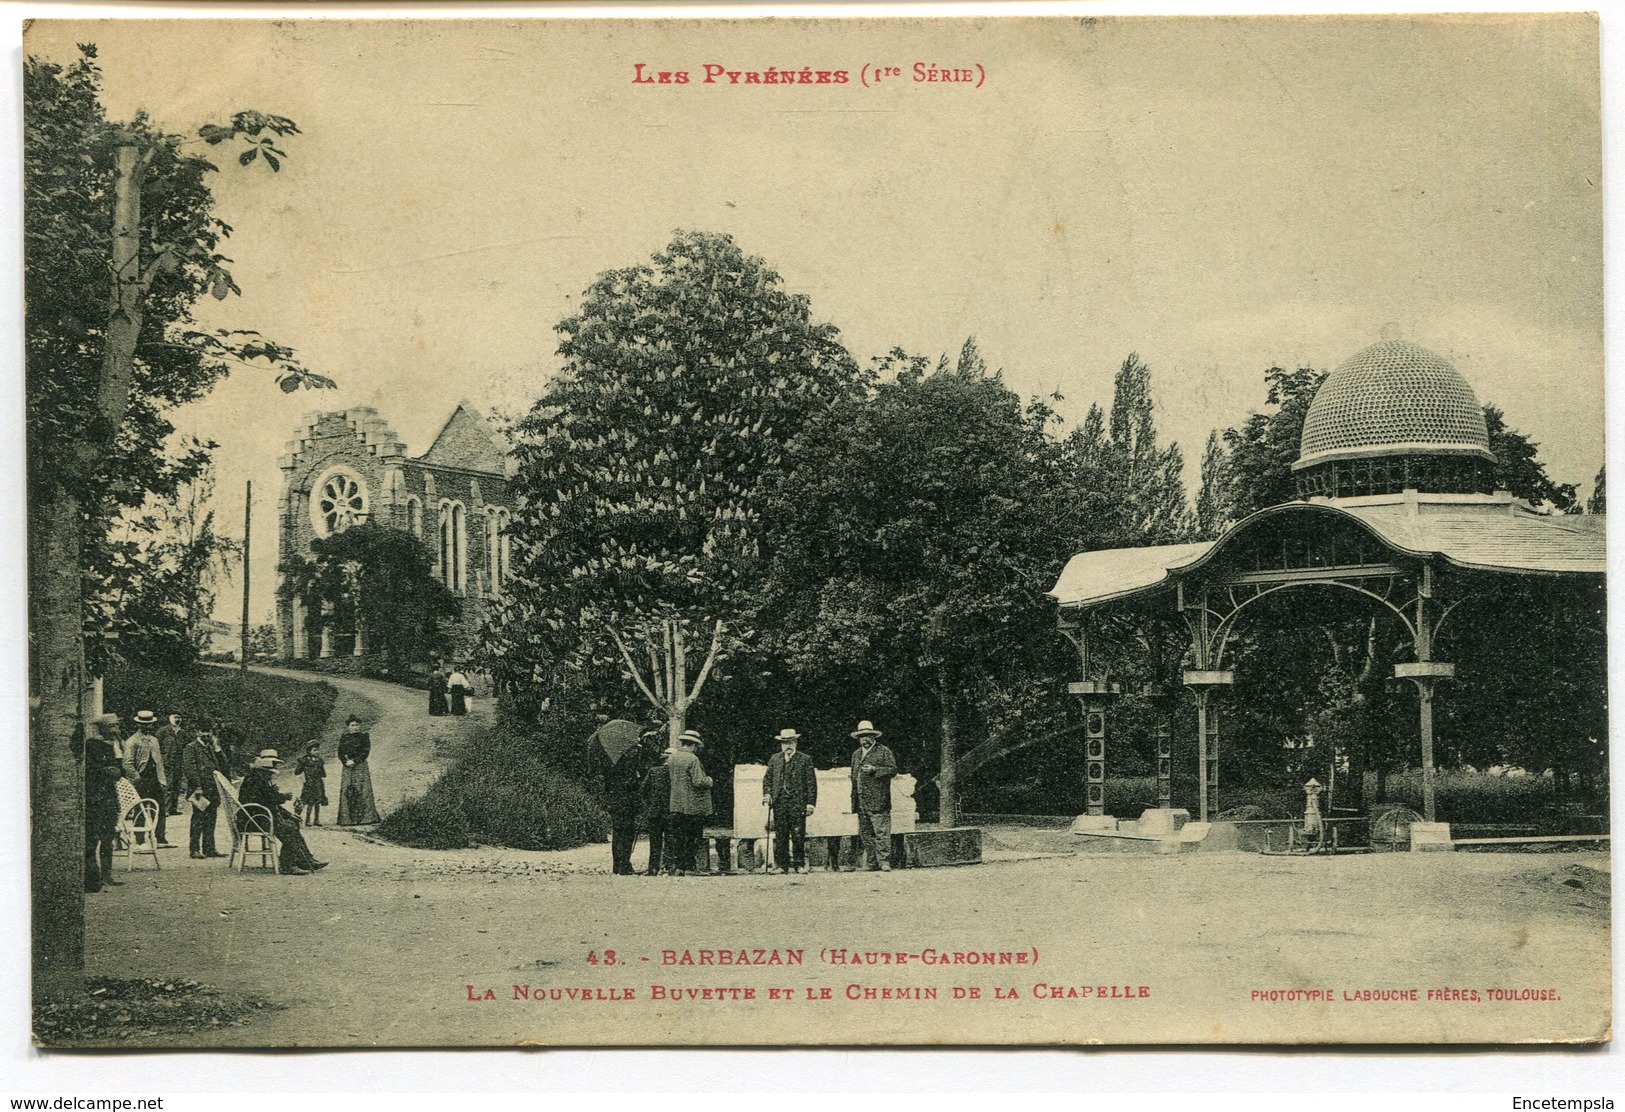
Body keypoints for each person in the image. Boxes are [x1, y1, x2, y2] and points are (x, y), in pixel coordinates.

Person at [237, 749, 327, 874]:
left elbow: (269, 802)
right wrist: (282, 797)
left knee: (292, 823)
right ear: (263, 770)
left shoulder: (258, 779)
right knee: (289, 828)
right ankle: (288, 865)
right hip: (254, 820)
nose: (272, 774)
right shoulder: (257, 781)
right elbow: (268, 802)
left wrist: (288, 814)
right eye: (270, 772)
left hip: (257, 817)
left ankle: (305, 859)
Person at [590, 717, 646, 876]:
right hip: (626, 803)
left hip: (614, 803)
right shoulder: (626, 764)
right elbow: (629, 784)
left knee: (618, 833)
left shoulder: (609, 763)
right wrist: (636, 780)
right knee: (627, 833)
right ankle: (624, 865)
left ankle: (618, 865)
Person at [80, 714, 126, 890]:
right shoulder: (91, 745)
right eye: (113, 726)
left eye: (117, 726)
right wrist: (106, 771)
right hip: (95, 797)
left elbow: (121, 770)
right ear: (104, 728)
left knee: (108, 837)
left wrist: (116, 769)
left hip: (109, 797)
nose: (117, 730)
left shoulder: (115, 746)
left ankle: (107, 875)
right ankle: (92, 878)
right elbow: (89, 769)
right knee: (92, 839)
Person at [762, 728, 817, 874]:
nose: (788, 745)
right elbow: (767, 779)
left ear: (796, 742)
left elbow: (811, 783)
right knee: (781, 834)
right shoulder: (775, 759)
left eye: (791, 742)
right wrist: (767, 794)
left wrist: (810, 804)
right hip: (779, 802)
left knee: (798, 834)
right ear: (781, 744)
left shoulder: (805, 759)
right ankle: (782, 865)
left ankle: (799, 864)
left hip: (797, 802)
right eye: (785, 742)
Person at [849, 720, 897, 871]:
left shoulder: (883, 751)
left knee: (881, 832)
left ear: (874, 736)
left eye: (868, 736)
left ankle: (884, 862)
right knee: (865, 834)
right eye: (862, 737)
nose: (865, 739)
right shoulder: (856, 754)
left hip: (878, 799)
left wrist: (875, 770)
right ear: (859, 738)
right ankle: (872, 862)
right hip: (860, 800)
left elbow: (892, 770)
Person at [124, 710, 174, 848]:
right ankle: (140, 840)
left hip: (155, 779)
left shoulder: (154, 740)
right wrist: (137, 778)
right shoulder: (132, 741)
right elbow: (127, 763)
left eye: (150, 724)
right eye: (144, 724)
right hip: (142, 779)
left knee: (160, 809)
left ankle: (161, 839)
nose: (148, 727)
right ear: (139, 725)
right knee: (140, 809)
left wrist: (162, 780)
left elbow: (159, 763)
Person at [666, 730, 713, 876]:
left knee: (679, 838)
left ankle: (679, 867)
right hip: (693, 805)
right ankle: (690, 867)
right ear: (693, 745)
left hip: (676, 803)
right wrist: (709, 780)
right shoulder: (693, 759)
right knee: (693, 838)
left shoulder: (672, 758)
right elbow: (698, 781)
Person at [180, 720, 226, 859]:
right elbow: (190, 769)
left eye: (209, 731)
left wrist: (218, 749)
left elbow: (224, 765)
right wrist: (198, 786)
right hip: (199, 789)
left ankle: (209, 848)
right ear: (197, 732)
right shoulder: (191, 748)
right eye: (202, 731)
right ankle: (194, 849)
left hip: (213, 789)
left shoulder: (211, 748)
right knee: (198, 819)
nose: (206, 734)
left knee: (211, 819)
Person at [336, 716, 381, 825]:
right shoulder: (344, 737)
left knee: (362, 789)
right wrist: (345, 761)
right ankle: (347, 819)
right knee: (348, 789)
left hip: (360, 766)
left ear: (360, 726)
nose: (355, 727)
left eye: (357, 725)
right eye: (352, 725)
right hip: (347, 767)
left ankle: (366, 818)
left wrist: (355, 761)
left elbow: (365, 752)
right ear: (348, 727)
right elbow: (340, 752)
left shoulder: (364, 737)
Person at [640, 744, 672, 877]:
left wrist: (649, 804)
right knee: (670, 840)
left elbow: (643, 790)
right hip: (670, 811)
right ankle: (669, 867)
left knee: (655, 841)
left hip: (654, 811)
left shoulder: (653, 771)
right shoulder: (674, 773)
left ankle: (653, 868)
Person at [156, 712, 187, 817]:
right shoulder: (163, 731)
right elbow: (157, 746)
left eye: (179, 717)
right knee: (167, 786)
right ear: (170, 718)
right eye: (175, 717)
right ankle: (165, 809)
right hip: (166, 763)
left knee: (176, 786)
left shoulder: (182, 732)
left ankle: (173, 808)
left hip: (178, 763)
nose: (178, 719)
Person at [293, 740, 329, 826]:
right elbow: (297, 772)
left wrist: (321, 775)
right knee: (309, 801)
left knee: (318, 801)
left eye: (317, 750)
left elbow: (323, 774)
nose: (317, 752)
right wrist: (303, 779)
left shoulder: (319, 760)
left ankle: (316, 820)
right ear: (309, 751)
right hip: (309, 783)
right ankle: (307, 819)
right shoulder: (304, 760)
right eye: (314, 750)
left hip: (318, 783)